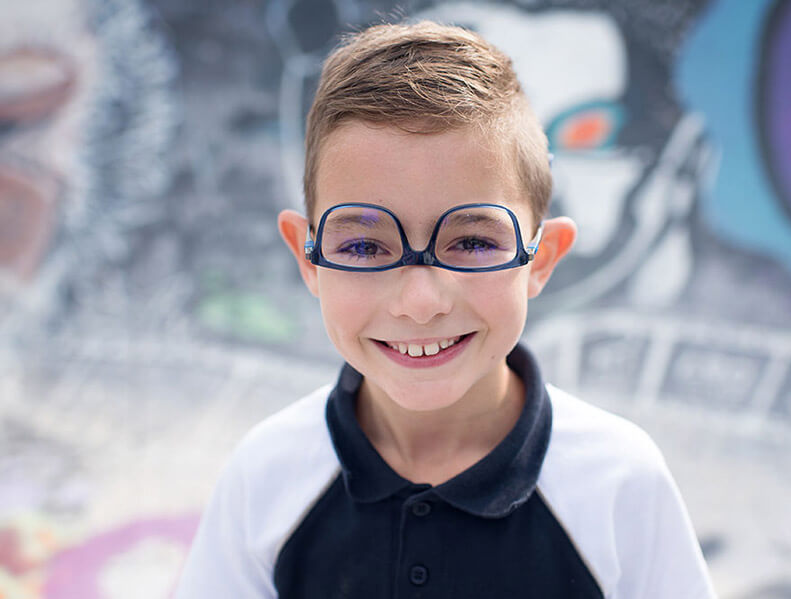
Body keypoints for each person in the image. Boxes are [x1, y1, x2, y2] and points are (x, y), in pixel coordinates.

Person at [174, 21, 715, 599]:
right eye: (363, 246)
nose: (421, 302)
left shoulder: (617, 483)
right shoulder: (268, 476)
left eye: (473, 242)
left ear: (541, 258)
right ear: (307, 258)